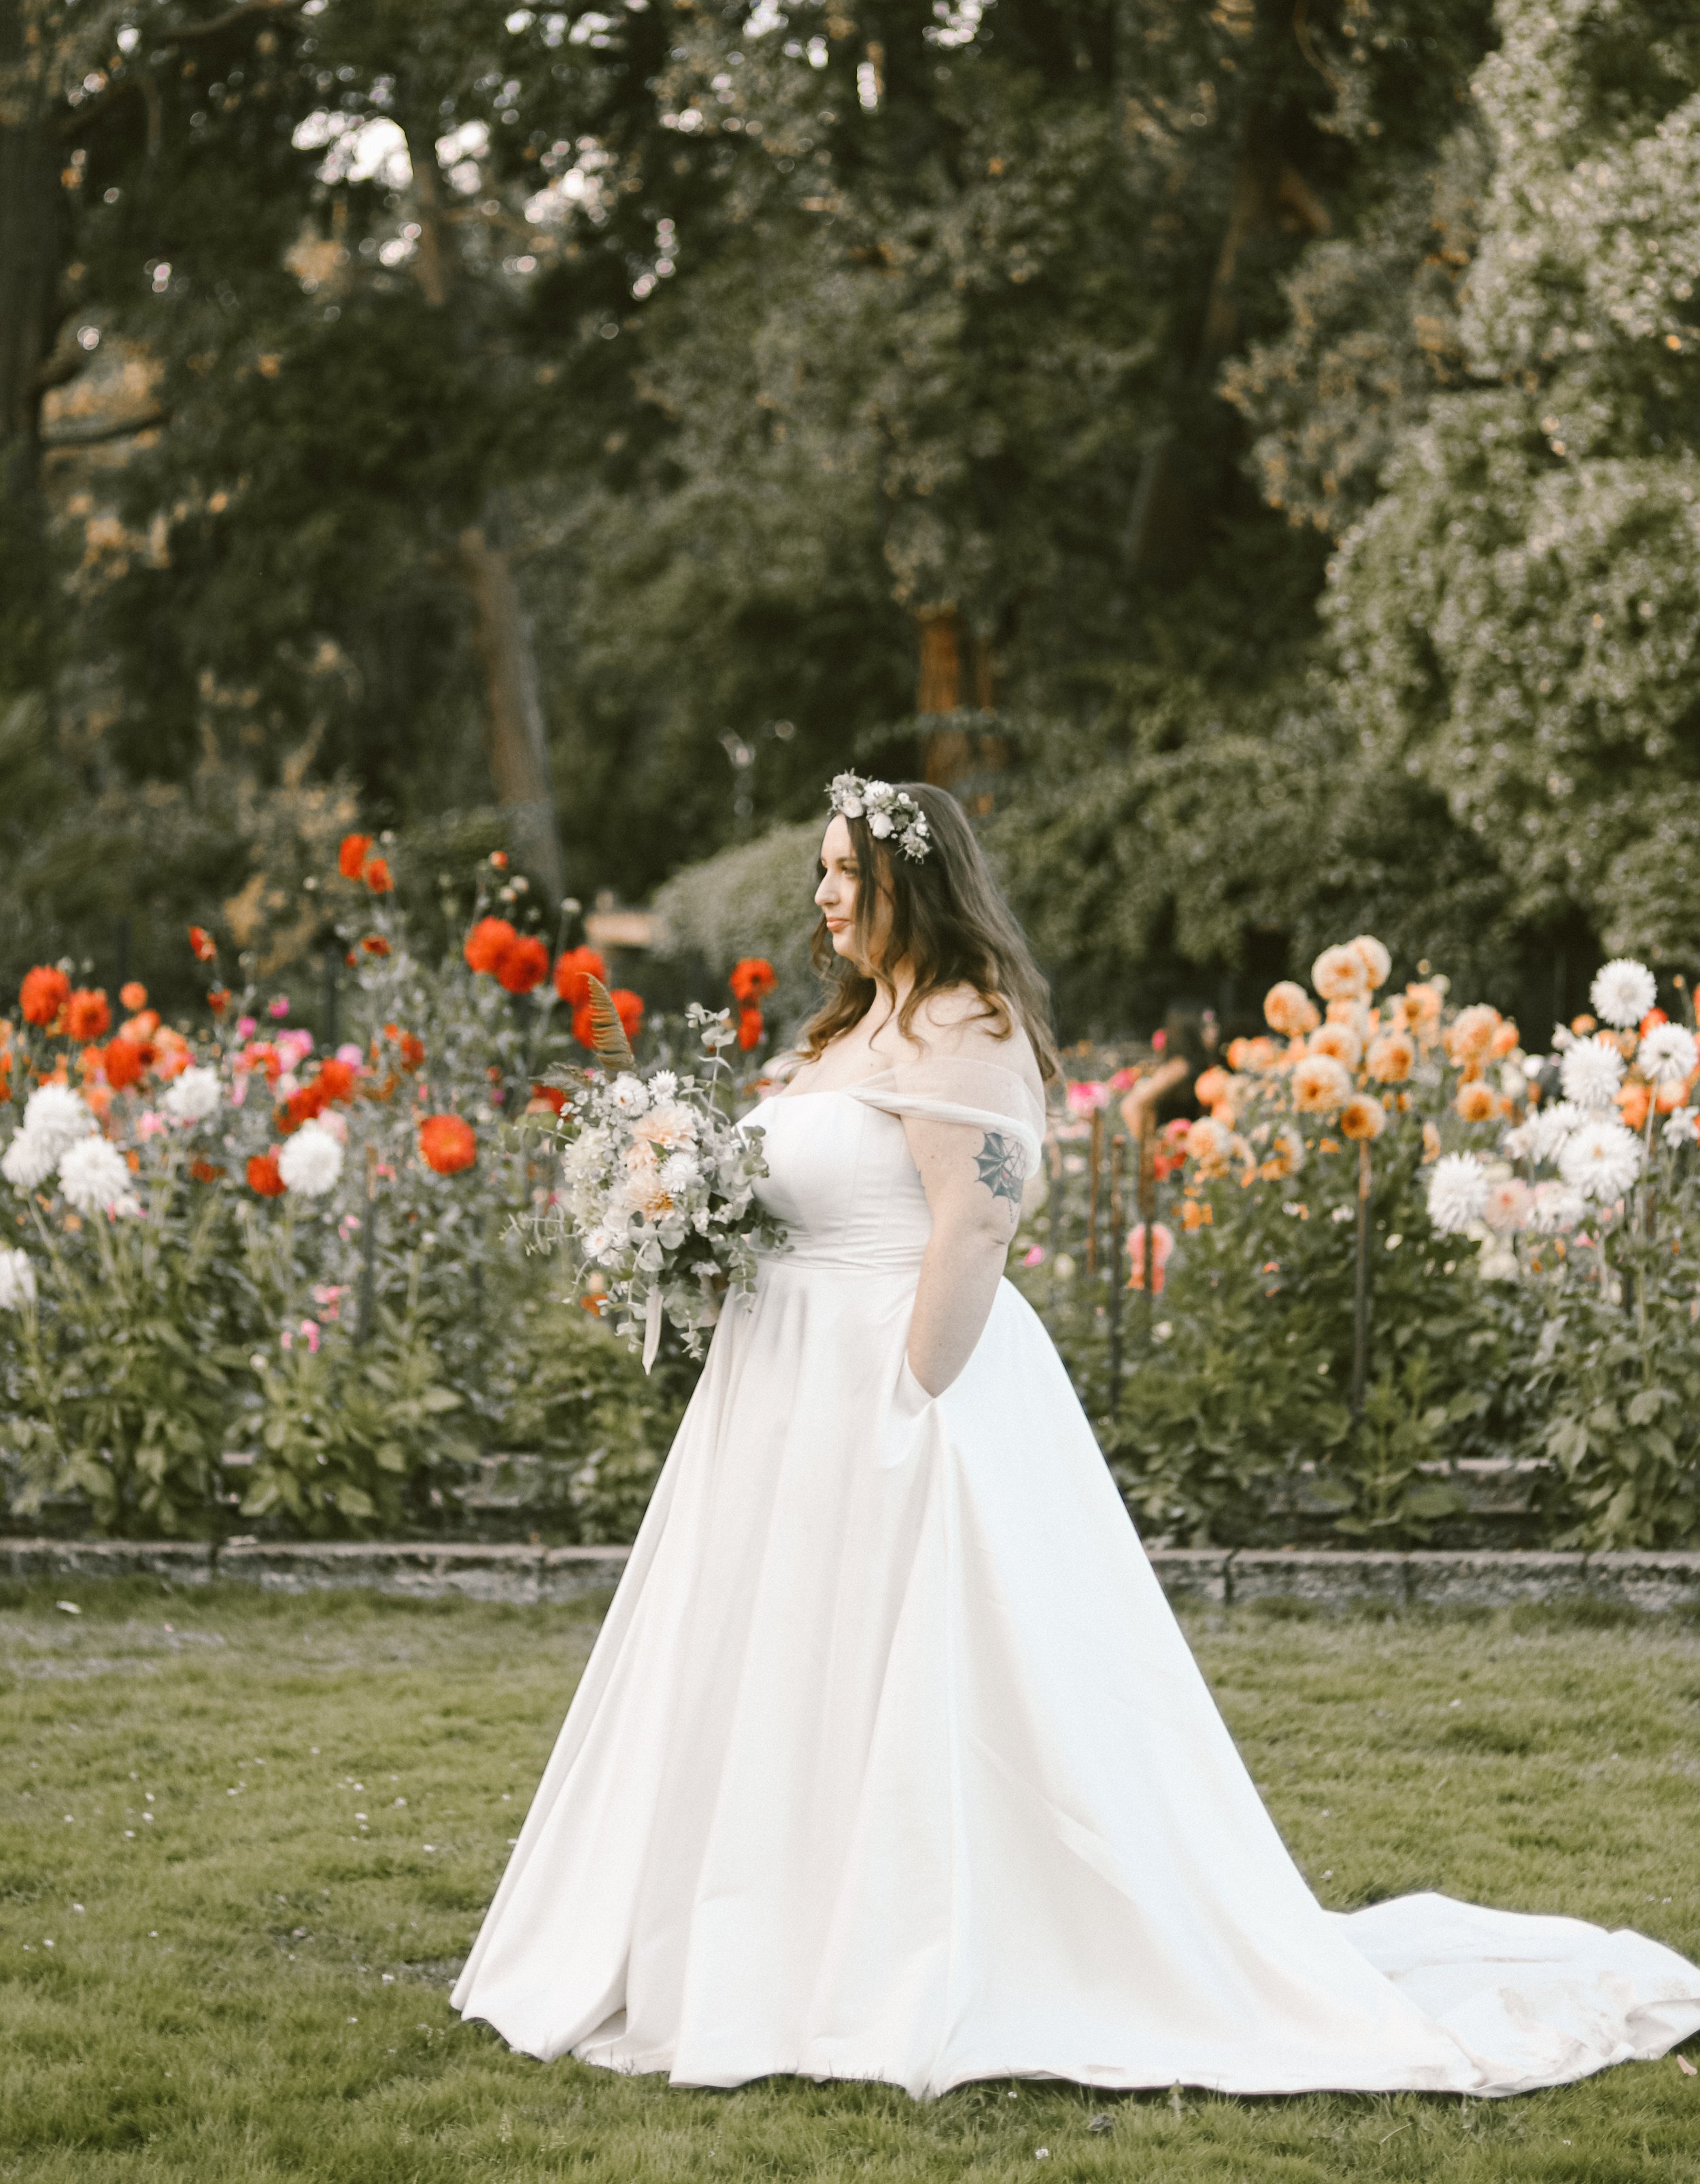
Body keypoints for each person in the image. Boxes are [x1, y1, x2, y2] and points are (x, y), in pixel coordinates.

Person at [453, 774, 1700, 2097]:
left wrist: (908, 1398)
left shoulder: (963, 1027)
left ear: (912, 886)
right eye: (819, 867)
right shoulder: (839, 1034)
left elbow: (973, 1223)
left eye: (844, 870)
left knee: (913, 1665)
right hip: (778, 1397)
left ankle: (912, 1952)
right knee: (779, 1665)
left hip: (899, 1389)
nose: (821, 891)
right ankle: (757, 1938)